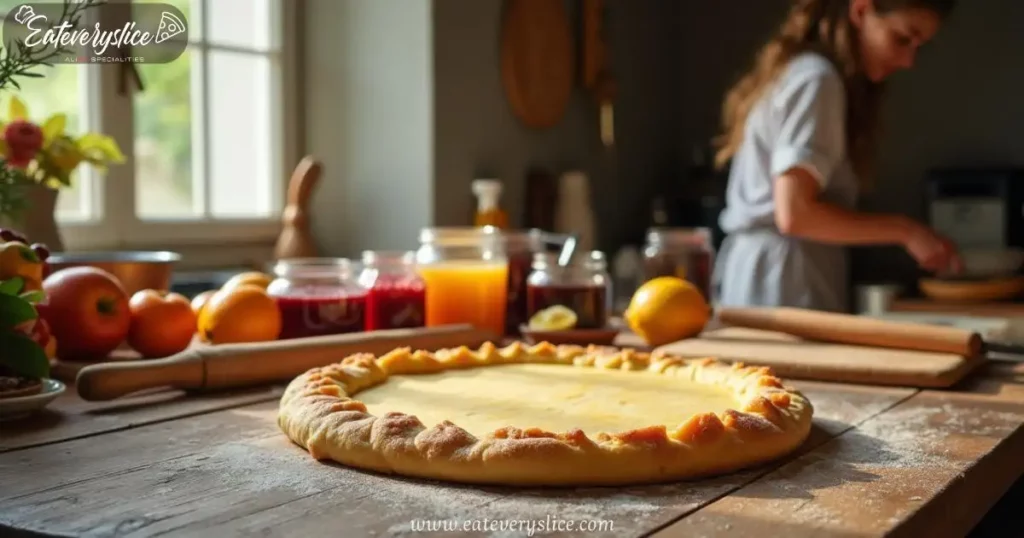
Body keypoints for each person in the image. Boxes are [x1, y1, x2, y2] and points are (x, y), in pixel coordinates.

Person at [711, 0, 963, 313]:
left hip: (773, 276)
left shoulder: (805, 73)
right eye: (901, 38)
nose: (908, 60)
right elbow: (795, 213)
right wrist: (906, 231)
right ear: (860, 11)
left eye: (918, 47)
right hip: (783, 283)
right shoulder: (817, 81)